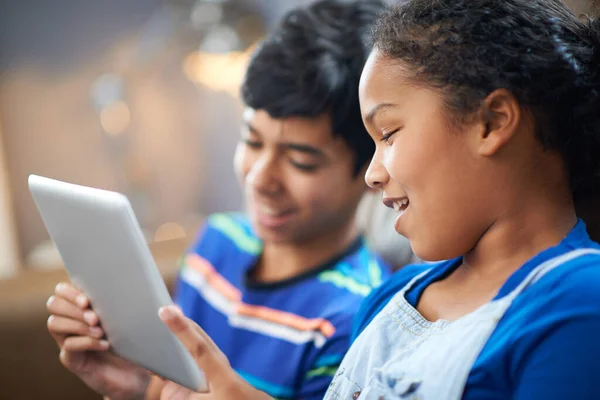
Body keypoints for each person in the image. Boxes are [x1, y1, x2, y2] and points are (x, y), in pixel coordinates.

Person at [150, 0, 600, 398]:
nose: (373, 173)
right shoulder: (389, 299)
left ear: (491, 122)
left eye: (388, 134)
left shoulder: (581, 302)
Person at [45, 1, 392, 400]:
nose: (261, 179)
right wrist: (137, 387)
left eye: (300, 162)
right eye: (252, 141)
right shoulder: (217, 240)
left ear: (372, 166)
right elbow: (172, 385)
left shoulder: (355, 319)